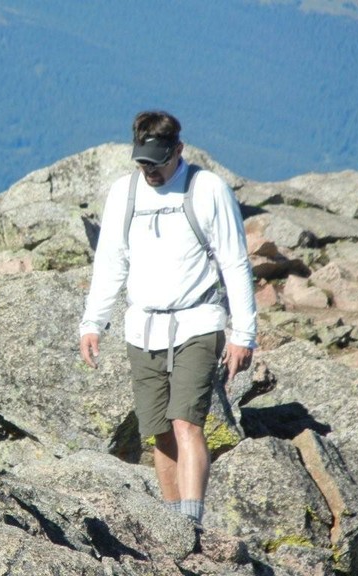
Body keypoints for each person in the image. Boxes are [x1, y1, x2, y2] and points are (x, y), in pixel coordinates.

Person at [79, 110, 256, 528]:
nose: (150, 172)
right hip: (142, 327)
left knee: (186, 422)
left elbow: (235, 262)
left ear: (179, 150)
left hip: (198, 322)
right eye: (142, 162)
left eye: (157, 163)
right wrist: (93, 322)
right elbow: (110, 262)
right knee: (157, 429)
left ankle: (191, 522)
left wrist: (243, 333)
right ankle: (174, 522)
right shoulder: (125, 193)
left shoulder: (207, 189)